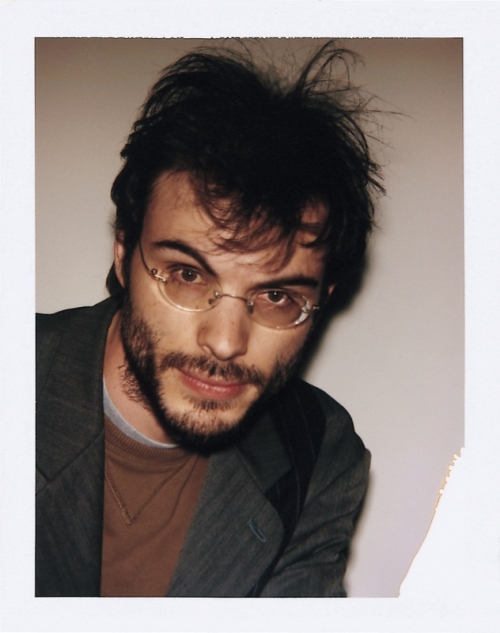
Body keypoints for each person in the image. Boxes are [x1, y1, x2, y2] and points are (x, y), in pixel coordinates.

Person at [36, 41, 384, 597]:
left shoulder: (319, 453)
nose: (224, 342)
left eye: (276, 297)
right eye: (188, 275)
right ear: (124, 256)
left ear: (322, 299)